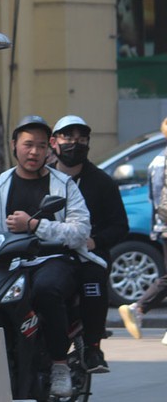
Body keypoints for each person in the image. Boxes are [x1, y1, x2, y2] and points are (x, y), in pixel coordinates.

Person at [0, 115, 99, 398]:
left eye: (40, 145)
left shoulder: (64, 185)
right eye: (28, 144)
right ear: (14, 145)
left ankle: (59, 364)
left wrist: (36, 225)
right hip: (7, 264)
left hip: (55, 261)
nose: (34, 152)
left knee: (46, 290)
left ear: (50, 147)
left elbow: (79, 232)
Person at [49, 115, 129, 373]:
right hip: (47, 256)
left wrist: (96, 241)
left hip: (87, 257)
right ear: (54, 142)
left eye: (81, 139)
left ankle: (93, 347)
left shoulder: (102, 182)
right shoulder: (42, 178)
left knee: (93, 284)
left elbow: (120, 226)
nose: (75, 143)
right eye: (68, 137)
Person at [118, 116, 167, 345]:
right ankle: (137, 308)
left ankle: (137, 309)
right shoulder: (162, 161)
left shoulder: (158, 160)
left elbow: (155, 198)